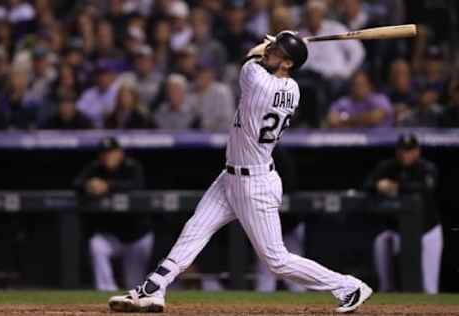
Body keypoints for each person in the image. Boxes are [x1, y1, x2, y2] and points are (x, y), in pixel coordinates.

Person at [108, 30, 372, 314]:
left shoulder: (256, 80)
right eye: (272, 49)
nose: (270, 50)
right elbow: (272, 61)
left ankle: (347, 286)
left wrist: (273, 45)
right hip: (231, 177)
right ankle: (154, 289)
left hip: (255, 184)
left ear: (288, 64)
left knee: (276, 260)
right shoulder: (292, 89)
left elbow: (251, 59)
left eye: (278, 52)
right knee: (194, 230)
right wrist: (285, 46)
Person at [364, 134, 442, 294]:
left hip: (428, 231)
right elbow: (367, 184)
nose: (405, 154)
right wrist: (377, 185)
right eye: (402, 150)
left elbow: (425, 187)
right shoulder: (388, 167)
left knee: (429, 286)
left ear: (417, 151)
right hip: (397, 232)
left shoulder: (426, 168)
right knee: (386, 283)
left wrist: (396, 186)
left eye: (409, 150)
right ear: (397, 151)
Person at [74, 137, 154, 292]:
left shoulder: (132, 166)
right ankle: (106, 291)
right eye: (104, 153)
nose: (107, 156)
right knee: (97, 245)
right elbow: (76, 184)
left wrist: (108, 186)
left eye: (111, 152)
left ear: (120, 153)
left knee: (135, 285)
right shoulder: (95, 168)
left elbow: (137, 185)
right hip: (110, 236)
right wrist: (88, 185)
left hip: (136, 236)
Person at [327, 71, 393, 128]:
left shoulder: (380, 99)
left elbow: (375, 118)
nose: (358, 88)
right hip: (350, 140)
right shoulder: (343, 102)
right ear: (351, 87)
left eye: (362, 85)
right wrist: (364, 119)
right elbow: (333, 121)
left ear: (369, 86)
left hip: (381, 141)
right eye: (355, 85)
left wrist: (346, 120)